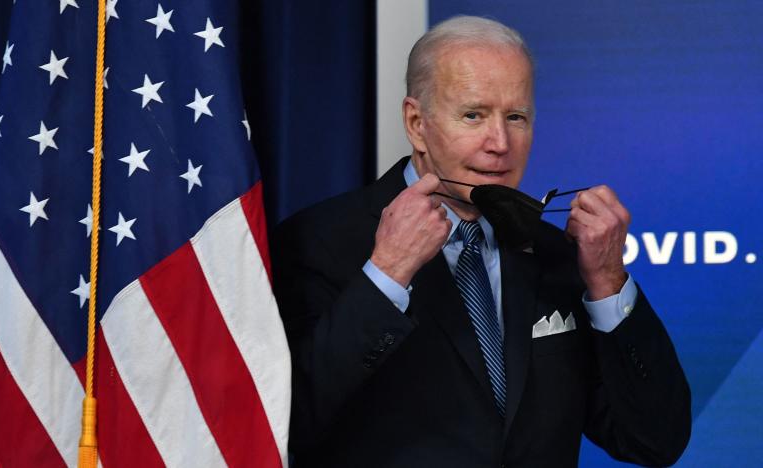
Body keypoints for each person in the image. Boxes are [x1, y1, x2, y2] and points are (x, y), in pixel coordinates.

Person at [271, 16, 691, 468]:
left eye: (516, 117)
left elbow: (654, 439)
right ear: (416, 123)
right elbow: (289, 425)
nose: (500, 143)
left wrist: (608, 283)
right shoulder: (317, 240)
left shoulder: (555, 252)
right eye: (474, 115)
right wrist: (386, 275)